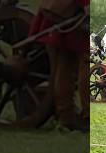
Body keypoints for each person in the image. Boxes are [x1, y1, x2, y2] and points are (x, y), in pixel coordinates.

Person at [29, 0, 89, 131]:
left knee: (65, 64)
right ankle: (86, 116)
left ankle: (66, 117)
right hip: (71, 12)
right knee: (86, 62)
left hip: (66, 12)